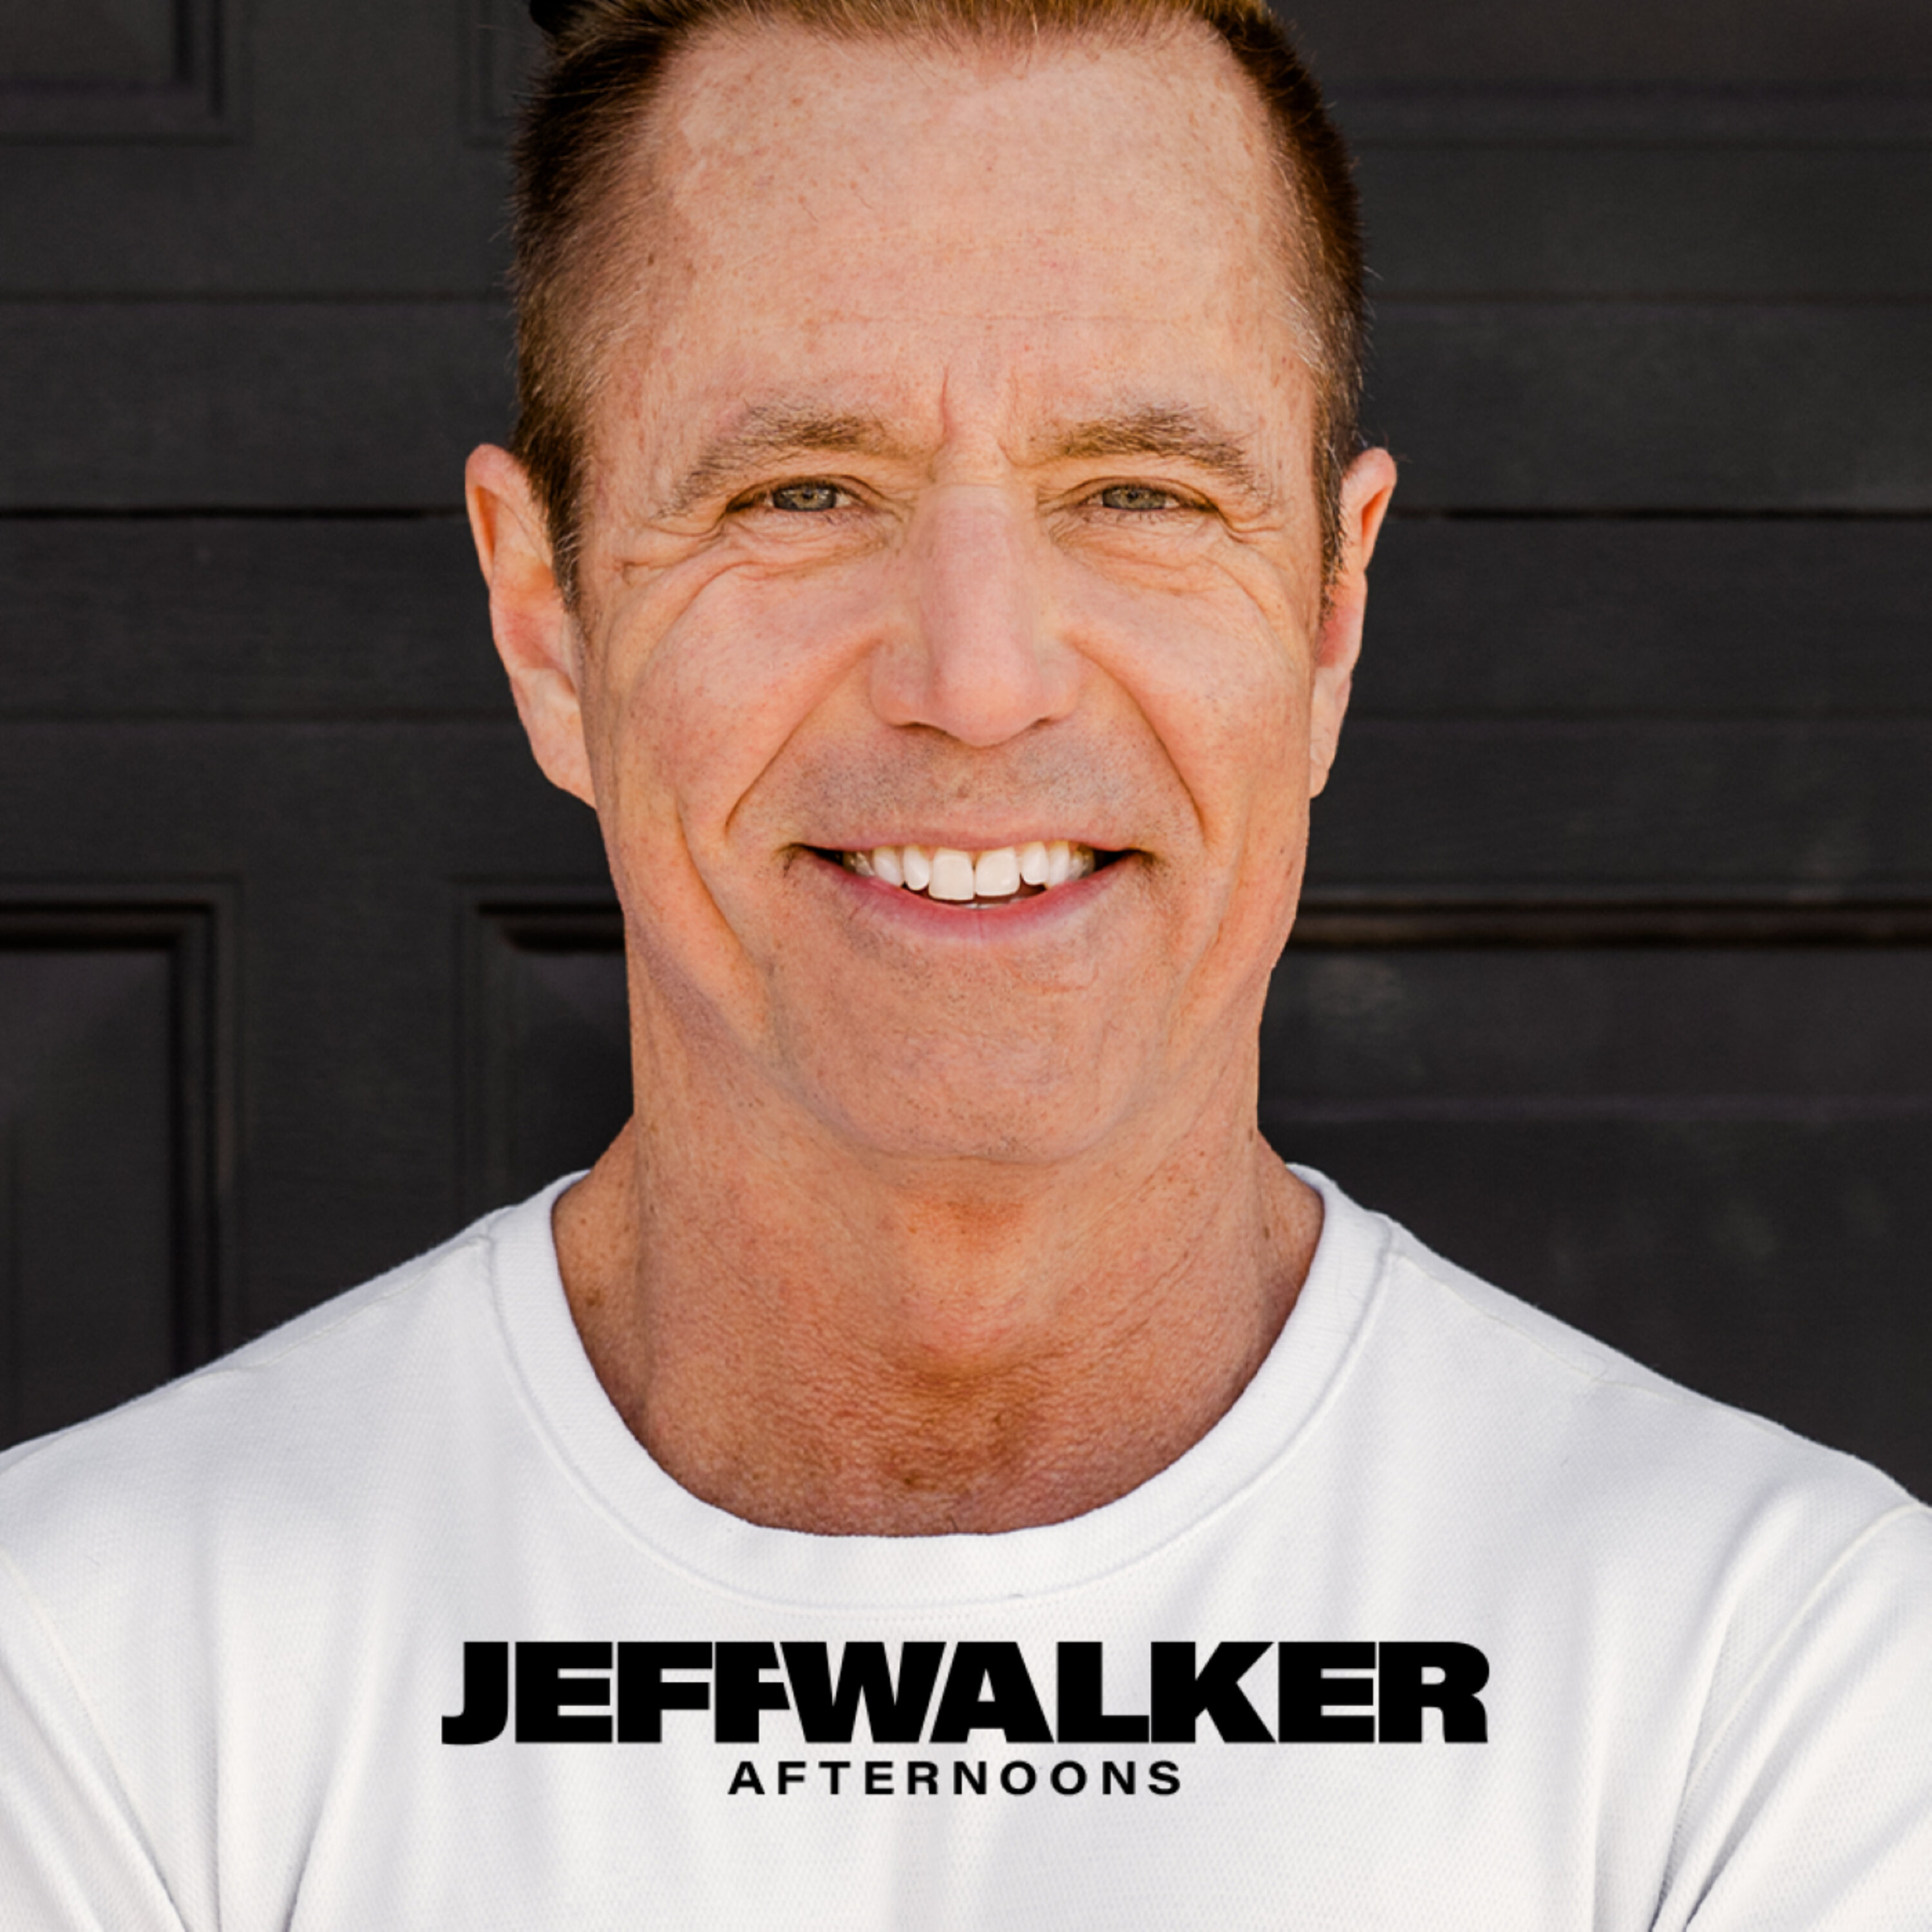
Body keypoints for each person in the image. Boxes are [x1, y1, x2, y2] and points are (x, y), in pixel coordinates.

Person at [2, 0, 1927, 1923]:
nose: (981, 680)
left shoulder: (1781, 1681)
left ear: (1333, 617)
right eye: (800, 493)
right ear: (545, 619)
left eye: (1141, 494)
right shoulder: (86, 1673)